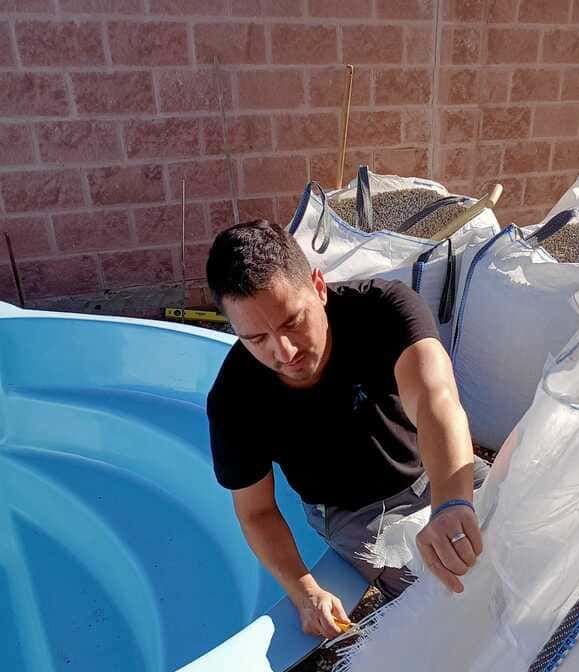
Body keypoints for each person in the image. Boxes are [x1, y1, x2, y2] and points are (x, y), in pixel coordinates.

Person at [205, 220, 488, 639]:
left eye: (292, 322)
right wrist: (304, 591)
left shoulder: (384, 308)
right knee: (446, 591)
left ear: (319, 286)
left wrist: (450, 503)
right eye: (257, 338)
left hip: (431, 465)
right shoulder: (234, 398)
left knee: (532, 514)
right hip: (353, 510)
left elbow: (436, 401)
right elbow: (256, 511)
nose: (284, 351)